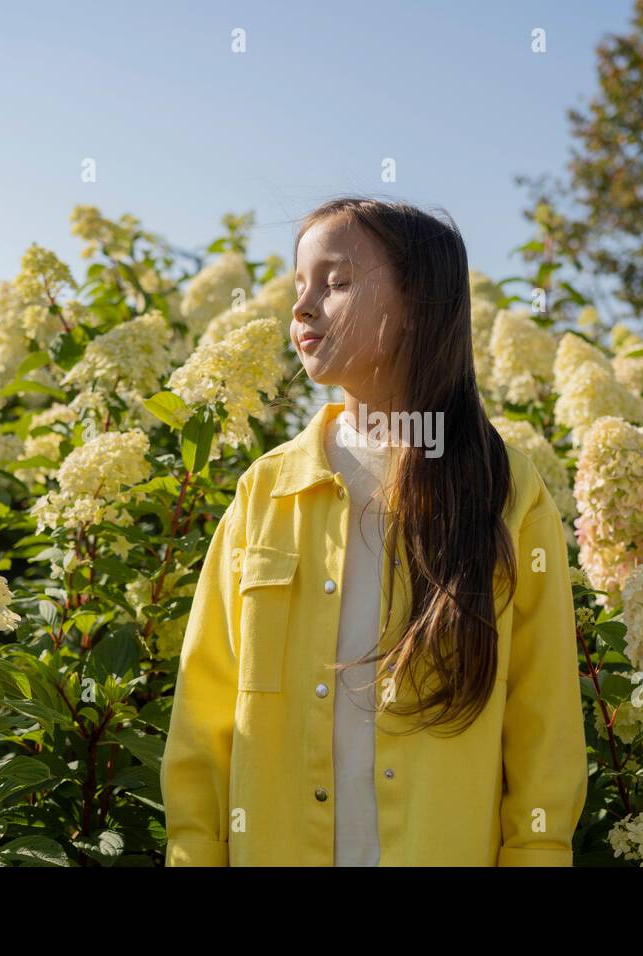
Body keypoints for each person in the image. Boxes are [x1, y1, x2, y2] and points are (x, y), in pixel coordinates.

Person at [160, 196, 587, 866]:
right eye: (300, 285)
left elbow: (545, 725)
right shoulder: (263, 493)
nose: (302, 307)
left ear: (419, 305)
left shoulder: (509, 493)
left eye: (335, 284)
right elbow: (203, 717)